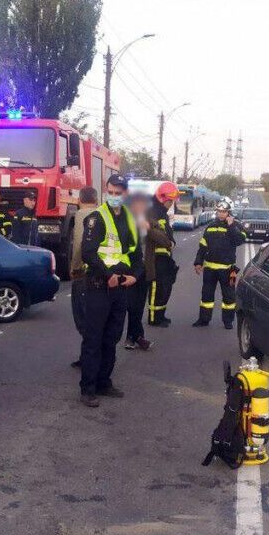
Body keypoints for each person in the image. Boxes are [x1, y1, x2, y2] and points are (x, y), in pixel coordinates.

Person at [78, 174, 143, 407]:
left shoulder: (130, 218)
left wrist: (135, 275)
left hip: (121, 289)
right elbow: (88, 253)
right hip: (99, 287)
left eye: (119, 193)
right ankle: (88, 388)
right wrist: (109, 275)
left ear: (125, 194)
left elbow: (136, 253)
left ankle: (104, 382)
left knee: (112, 338)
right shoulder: (97, 218)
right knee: (93, 339)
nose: (115, 196)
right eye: (111, 192)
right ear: (106, 191)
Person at [193, 203, 245, 329]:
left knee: (229, 296)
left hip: (228, 269)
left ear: (228, 212)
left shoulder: (235, 225)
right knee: (206, 295)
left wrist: (231, 225)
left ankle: (228, 321)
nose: (221, 213)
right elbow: (203, 246)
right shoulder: (211, 226)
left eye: (224, 211)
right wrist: (198, 262)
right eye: (219, 211)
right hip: (210, 268)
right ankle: (204, 319)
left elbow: (240, 240)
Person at [69, 186, 97, 368]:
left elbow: (79, 244)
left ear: (79, 200)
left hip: (84, 274)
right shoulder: (105, 214)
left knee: (82, 317)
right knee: (95, 316)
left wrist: (75, 267)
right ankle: (89, 354)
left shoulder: (82, 215)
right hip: (103, 273)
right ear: (96, 200)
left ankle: (89, 357)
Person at [124, 191, 153, 351]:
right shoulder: (125, 222)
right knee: (131, 306)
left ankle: (136, 336)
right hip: (129, 269)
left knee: (139, 306)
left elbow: (165, 240)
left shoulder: (150, 222)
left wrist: (150, 230)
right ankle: (134, 337)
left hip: (145, 270)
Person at [146, 182, 178, 327]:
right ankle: (153, 318)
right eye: (170, 201)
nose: (171, 204)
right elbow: (154, 233)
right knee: (155, 289)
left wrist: (172, 242)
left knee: (165, 287)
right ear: (163, 198)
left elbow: (167, 233)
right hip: (155, 258)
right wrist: (168, 243)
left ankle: (161, 315)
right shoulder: (151, 211)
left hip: (165, 258)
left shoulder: (162, 213)